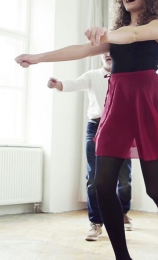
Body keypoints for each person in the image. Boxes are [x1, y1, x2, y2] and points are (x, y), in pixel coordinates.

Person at [16, 0, 158, 260]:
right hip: (118, 104)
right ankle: (123, 256)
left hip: (147, 102)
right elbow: (80, 50)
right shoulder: (117, 33)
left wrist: (109, 33)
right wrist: (38, 58)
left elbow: (136, 35)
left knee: (155, 188)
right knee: (101, 184)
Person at [47, 52, 133, 241]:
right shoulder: (92, 75)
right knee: (94, 178)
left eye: (113, 50)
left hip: (121, 128)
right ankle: (95, 223)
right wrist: (58, 84)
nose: (109, 54)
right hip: (96, 127)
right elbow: (73, 84)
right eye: (105, 51)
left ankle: (123, 213)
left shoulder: (127, 76)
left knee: (124, 177)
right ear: (101, 55)